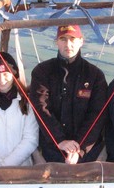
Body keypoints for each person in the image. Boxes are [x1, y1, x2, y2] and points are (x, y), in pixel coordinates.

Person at [29, 24, 107, 164]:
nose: (68, 44)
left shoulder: (95, 75)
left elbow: (97, 114)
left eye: (73, 39)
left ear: (81, 41)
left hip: (88, 153)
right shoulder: (42, 71)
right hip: (50, 150)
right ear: (56, 42)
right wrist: (59, 140)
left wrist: (79, 148)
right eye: (63, 39)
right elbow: (41, 107)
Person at [0, 52, 39, 166]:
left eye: (6, 74)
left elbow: (31, 138)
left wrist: (8, 165)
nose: (1, 79)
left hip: (21, 171)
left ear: (14, 74)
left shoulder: (26, 102)